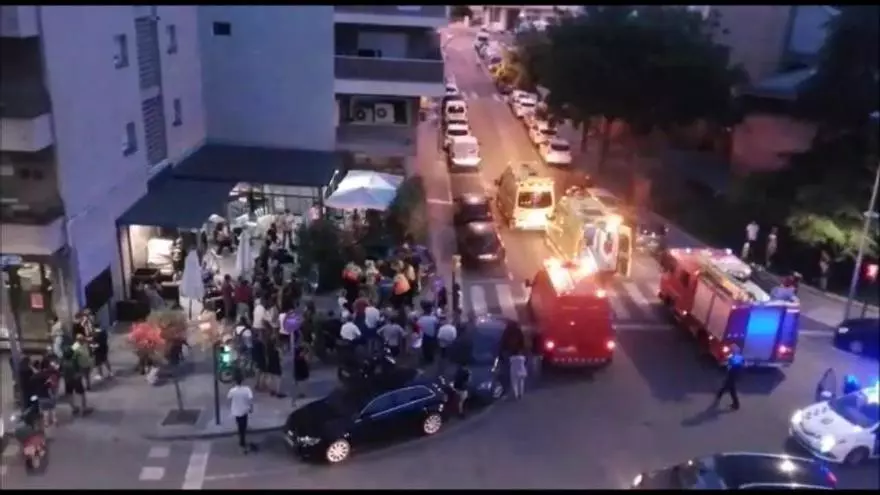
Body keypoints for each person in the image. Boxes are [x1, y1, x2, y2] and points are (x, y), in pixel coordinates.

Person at [227, 371, 257, 454]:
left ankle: (241, 438)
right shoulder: (247, 389)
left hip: (236, 411)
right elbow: (250, 400)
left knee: (239, 424)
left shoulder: (232, 390)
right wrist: (251, 408)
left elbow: (229, 397)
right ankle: (242, 438)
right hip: (244, 410)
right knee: (244, 424)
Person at [61, 347, 90, 415]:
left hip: (67, 380)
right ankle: (83, 409)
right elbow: (80, 370)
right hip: (76, 380)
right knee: (81, 394)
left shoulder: (62, 362)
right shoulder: (74, 361)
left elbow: (61, 372)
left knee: (69, 394)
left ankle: (73, 408)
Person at [714, 345, 743, 410]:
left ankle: (735, 404)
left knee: (729, 388)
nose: (731, 351)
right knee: (730, 389)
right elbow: (728, 362)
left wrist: (728, 361)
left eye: (732, 350)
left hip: (732, 375)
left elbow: (732, 363)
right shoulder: (736, 356)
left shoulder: (736, 357)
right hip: (732, 375)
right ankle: (735, 404)